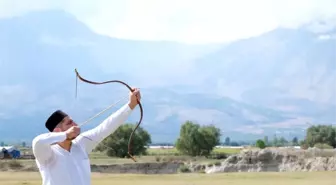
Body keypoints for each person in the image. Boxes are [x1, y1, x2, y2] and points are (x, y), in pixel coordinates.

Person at [32, 88, 141, 185]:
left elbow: (106, 127)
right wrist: (65, 135)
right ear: (57, 131)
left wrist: (131, 105)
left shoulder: (81, 143)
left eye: (73, 121)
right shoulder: (48, 155)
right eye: (69, 123)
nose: (75, 125)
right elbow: (37, 142)